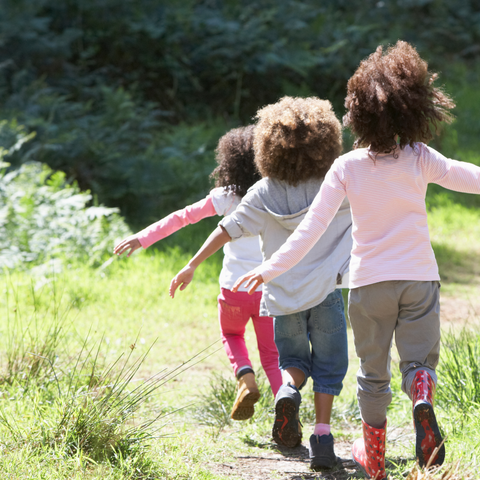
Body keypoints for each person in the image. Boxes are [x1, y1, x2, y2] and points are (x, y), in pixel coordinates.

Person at [232, 41, 480, 479]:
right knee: (418, 362)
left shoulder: (346, 167)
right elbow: (471, 177)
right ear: (413, 109)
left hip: (369, 286)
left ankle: (375, 458)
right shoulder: (420, 158)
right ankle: (422, 391)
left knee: (372, 375)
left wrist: (271, 267)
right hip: (419, 279)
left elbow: (311, 229)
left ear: (356, 113)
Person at [170, 96, 353, 471]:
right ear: (326, 141)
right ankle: (322, 437)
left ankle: (287, 392)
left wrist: (191, 264)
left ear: (267, 145)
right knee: (330, 366)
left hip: (281, 296)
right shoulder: (333, 184)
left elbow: (226, 229)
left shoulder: (263, 191)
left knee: (293, 361)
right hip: (326, 293)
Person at [114, 125, 282, 421]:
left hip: (234, 290)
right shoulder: (276, 194)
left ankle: (245, 378)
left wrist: (143, 237)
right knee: (272, 354)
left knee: (231, 333)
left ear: (231, 162)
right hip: (269, 289)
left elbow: (183, 217)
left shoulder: (227, 197)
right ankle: (286, 410)